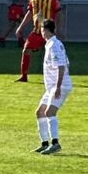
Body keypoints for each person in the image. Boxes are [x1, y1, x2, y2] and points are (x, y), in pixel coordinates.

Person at [31, 19, 70, 154]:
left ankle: (55, 143)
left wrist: (58, 87)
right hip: (51, 87)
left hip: (59, 86)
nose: (41, 33)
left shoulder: (54, 45)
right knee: (40, 112)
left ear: (45, 30)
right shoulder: (50, 44)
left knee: (49, 112)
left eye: (41, 30)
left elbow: (61, 67)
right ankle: (44, 143)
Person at [13, 0, 60, 82]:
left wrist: (58, 28)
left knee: (50, 54)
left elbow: (59, 13)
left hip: (49, 33)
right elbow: (29, 14)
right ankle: (24, 76)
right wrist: (20, 27)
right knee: (26, 50)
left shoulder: (52, 0)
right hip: (37, 32)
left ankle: (52, 77)